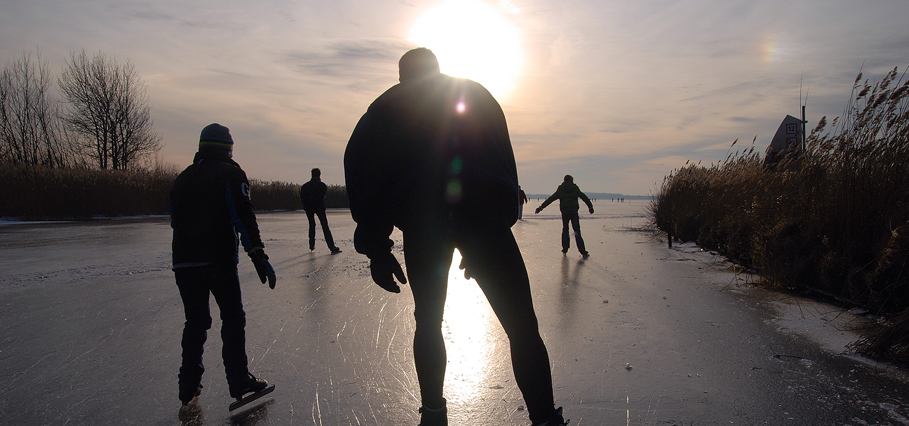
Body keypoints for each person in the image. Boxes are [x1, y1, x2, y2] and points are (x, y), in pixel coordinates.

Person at [344, 48, 567, 426]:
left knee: (428, 322)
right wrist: (496, 223)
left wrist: (377, 249)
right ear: (436, 68)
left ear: (402, 75)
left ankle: (433, 415)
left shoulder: (382, 110)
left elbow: (363, 176)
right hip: (483, 223)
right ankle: (545, 420)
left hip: (422, 227)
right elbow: (502, 159)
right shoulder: (476, 95)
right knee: (522, 327)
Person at [169, 123, 277, 408]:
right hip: (217, 259)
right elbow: (242, 215)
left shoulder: (182, 179)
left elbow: (175, 221)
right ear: (227, 148)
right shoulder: (231, 174)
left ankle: (187, 384)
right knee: (232, 317)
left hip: (183, 261)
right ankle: (239, 379)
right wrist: (258, 256)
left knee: (196, 321)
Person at [535, 175, 594, 258]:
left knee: (565, 229)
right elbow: (583, 196)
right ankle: (583, 251)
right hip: (573, 211)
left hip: (565, 211)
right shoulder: (574, 188)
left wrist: (541, 207)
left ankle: (565, 248)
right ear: (571, 180)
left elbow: (551, 198)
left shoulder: (561, 189)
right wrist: (590, 206)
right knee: (577, 230)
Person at [299, 167, 342, 254]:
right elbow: (321, 196)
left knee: (311, 225)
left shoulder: (305, 186)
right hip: (319, 208)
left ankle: (311, 245)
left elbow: (302, 198)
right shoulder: (322, 186)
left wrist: (307, 206)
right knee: (325, 226)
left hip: (309, 208)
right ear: (319, 175)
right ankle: (332, 247)